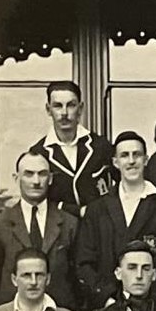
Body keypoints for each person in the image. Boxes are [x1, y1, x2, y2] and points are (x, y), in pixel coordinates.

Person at [76, 130, 156, 308]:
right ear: (115, 162)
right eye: (125, 155)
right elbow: (84, 263)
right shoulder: (97, 210)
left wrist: (146, 300)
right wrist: (107, 298)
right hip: (107, 308)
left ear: (146, 160)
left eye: (137, 155)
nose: (132, 161)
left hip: (152, 309)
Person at [0, 149, 81, 309]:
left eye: (42, 174)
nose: (36, 181)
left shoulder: (70, 224)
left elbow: (77, 278)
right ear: (16, 178)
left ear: (50, 179)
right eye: (29, 174)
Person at [26, 80, 115, 215]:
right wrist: (77, 211)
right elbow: (35, 199)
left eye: (71, 105)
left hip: (99, 228)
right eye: (57, 106)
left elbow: (123, 186)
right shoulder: (39, 153)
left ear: (80, 109)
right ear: (48, 110)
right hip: (58, 230)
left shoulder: (101, 146)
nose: (64, 113)